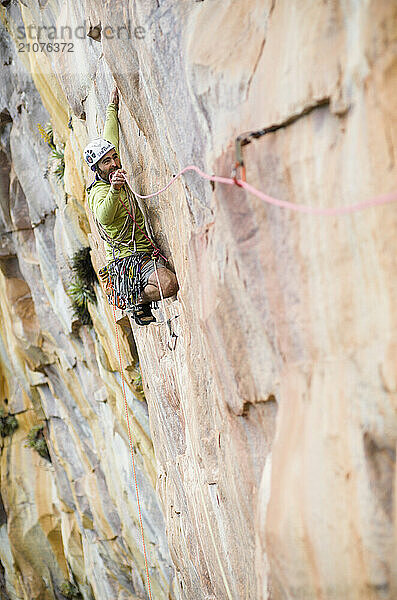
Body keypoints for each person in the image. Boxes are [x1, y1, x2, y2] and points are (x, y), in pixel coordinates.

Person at [84, 87, 178, 325]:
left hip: (142, 249)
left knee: (167, 281)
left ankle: (137, 295)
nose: (114, 163)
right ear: (97, 169)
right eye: (107, 162)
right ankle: (134, 297)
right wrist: (115, 189)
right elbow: (104, 216)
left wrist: (112, 107)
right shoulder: (99, 192)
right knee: (169, 284)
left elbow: (110, 136)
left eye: (115, 157)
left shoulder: (111, 164)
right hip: (126, 259)